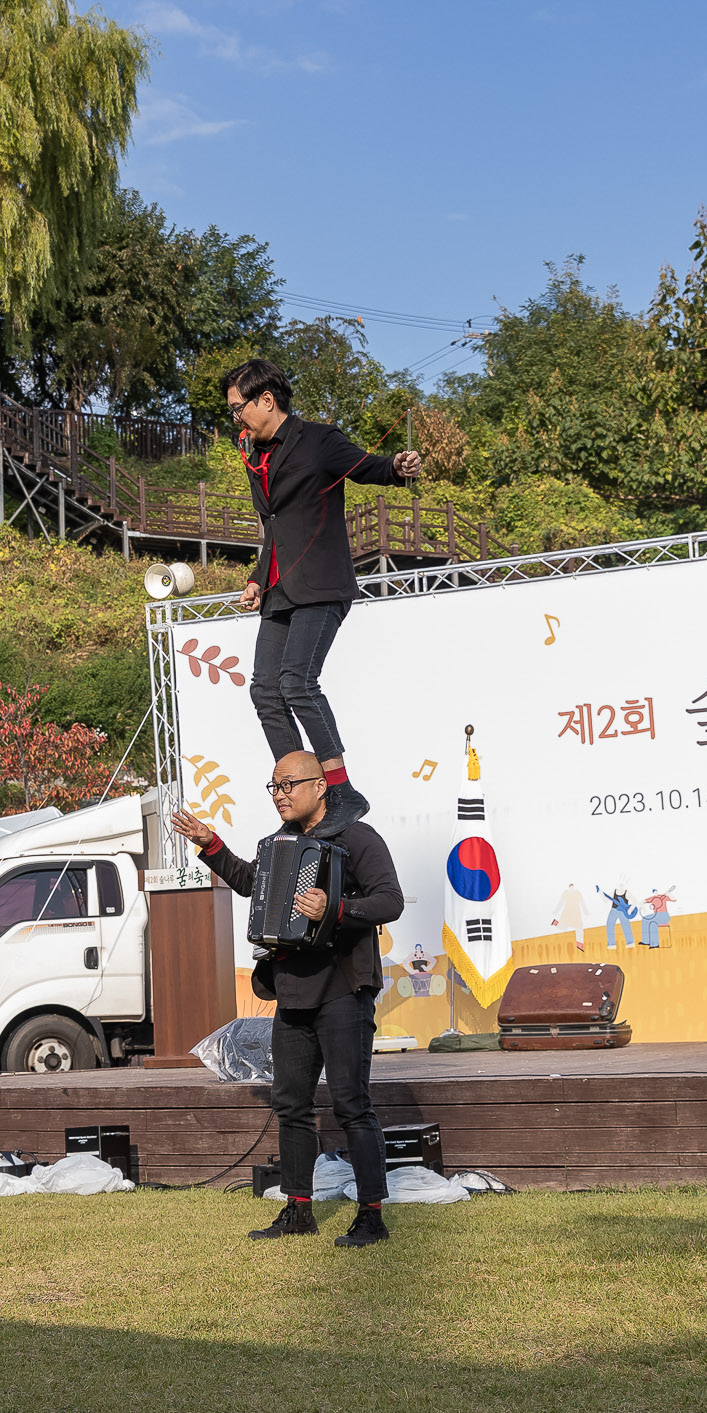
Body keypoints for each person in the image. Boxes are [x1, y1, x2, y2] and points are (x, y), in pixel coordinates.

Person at [170, 751, 404, 1247]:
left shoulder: (358, 837)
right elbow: (253, 885)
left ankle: (372, 1216)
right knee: (291, 1105)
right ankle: (298, 1209)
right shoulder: (282, 845)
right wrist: (211, 845)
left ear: (321, 786)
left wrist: (335, 907)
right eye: (274, 787)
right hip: (293, 990)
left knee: (351, 1105)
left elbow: (391, 901)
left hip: (343, 989)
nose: (280, 795)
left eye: (289, 785)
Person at [226, 359, 422, 827]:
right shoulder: (256, 454)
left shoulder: (319, 440)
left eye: (238, 409)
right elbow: (273, 524)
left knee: (297, 682)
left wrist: (398, 467)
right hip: (278, 588)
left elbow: (370, 466)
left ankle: (342, 792)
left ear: (266, 401)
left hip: (320, 583)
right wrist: (257, 577)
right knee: (265, 692)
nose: (235, 419)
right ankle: (299, 790)